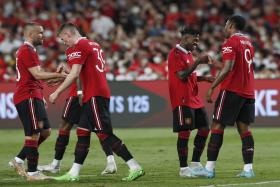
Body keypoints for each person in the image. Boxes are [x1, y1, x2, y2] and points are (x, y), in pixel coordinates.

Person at [49, 23, 144, 181]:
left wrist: (56, 92)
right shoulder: (93, 44)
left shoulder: (79, 46)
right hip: (94, 93)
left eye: (62, 38)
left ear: (68, 34)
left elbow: (75, 74)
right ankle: (74, 173)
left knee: (104, 133)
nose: (63, 42)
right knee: (83, 132)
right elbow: (85, 71)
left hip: (94, 94)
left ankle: (135, 166)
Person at [198, 15, 256, 178]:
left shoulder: (230, 42)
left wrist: (212, 87)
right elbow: (237, 66)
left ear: (230, 24)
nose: (224, 28)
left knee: (217, 125)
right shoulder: (248, 43)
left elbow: (229, 68)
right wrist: (215, 64)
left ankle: (209, 169)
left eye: (225, 24)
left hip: (232, 90)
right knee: (244, 129)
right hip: (248, 90)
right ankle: (248, 169)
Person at [9, 22, 66, 181]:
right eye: (40, 33)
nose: (43, 35)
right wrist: (61, 76)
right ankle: (33, 173)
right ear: (30, 34)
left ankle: (19, 160)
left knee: (45, 131)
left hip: (34, 94)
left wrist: (55, 75)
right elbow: (38, 75)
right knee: (33, 133)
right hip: (27, 95)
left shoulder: (30, 51)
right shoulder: (26, 50)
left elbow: (37, 75)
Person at [38, 75, 117, 175]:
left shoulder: (77, 58)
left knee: (64, 126)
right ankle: (111, 161)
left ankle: (55, 164)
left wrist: (61, 78)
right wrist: (64, 76)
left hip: (77, 94)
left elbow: (77, 72)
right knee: (98, 128)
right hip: (94, 92)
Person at [167, 27, 213, 177]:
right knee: (184, 133)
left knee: (205, 128)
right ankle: (183, 169)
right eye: (195, 39)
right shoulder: (175, 54)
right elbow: (181, 76)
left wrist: (204, 78)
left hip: (194, 99)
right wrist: (198, 62)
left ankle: (195, 163)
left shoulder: (188, 54)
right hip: (182, 100)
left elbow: (190, 75)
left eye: (198, 40)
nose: (196, 42)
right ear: (186, 38)